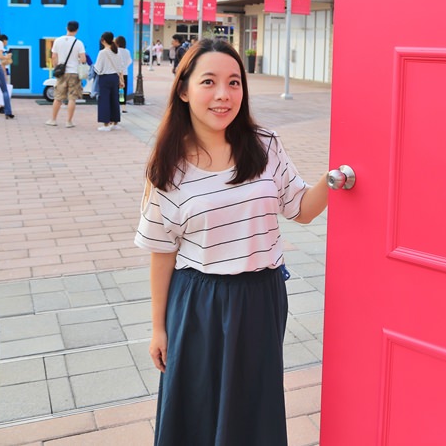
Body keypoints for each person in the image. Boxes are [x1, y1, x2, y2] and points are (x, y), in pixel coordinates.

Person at [134, 39, 329, 445]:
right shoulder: (169, 168)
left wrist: (336, 176)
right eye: (210, 82)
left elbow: (302, 210)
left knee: (254, 405)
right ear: (184, 90)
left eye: (234, 82)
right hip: (199, 301)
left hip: (262, 295)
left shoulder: (264, 145)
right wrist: (158, 328)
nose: (224, 95)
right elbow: (161, 253)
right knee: (197, 404)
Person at [47, 20, 85, 128]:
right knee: (72, 98)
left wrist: (56, 68)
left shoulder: (58, 41)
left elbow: (54, 56)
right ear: (77, 30)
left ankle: (53, 119)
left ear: (66, 28)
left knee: (58, 97)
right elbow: (83, 59)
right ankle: (69, 121)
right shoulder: (79, 43)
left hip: (62, 73)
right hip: (74, 73)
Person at [93, 31, 124, 131]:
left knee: (104, 100)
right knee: (114, 100)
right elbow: (120, 68)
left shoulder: (102, 53)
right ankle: (115, 122)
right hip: (115, 77)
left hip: (105, 78)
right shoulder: (117, 51)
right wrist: (121, 80)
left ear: (103, 40)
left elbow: (98, 69)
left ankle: (106, 124)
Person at [114, 35, 133, 112]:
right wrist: (124, 66)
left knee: (115, 90)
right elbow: (130, 61)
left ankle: (115, 106)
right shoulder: (127, 51)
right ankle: (123, 107)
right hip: (125, 73)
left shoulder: (115, 51)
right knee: (122, 90)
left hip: (116, 73)